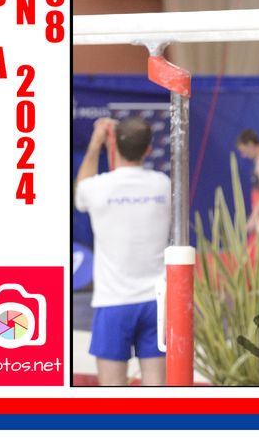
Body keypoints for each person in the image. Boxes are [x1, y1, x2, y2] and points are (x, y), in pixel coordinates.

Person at [74, 116, 171, 386]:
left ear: (113, 146)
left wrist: (95, 146)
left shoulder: (96, 188)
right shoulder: (163, 185)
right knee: (156, 387)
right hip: (156, 301)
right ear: (148, 149)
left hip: (113, 302)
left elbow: (80, 191)